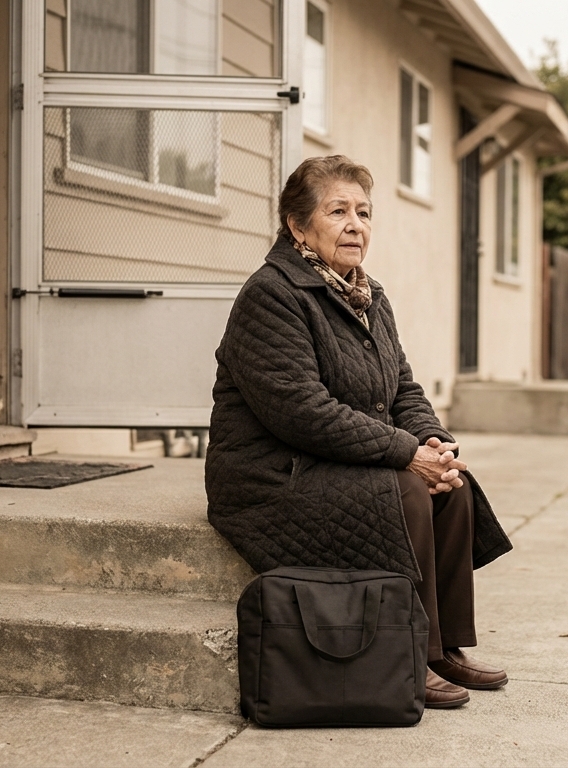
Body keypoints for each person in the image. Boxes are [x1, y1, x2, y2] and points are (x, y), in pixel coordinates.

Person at [206, 155, 513, 709]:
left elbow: (402, 389)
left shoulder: (369, 296)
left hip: (333, 456)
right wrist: (404, 454)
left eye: (364, 212)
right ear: (298, 226)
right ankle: (405, 654)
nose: (356, 224)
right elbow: (301, 410)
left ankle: (440, 646)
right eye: (338, 211)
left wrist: (433, 442)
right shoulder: (271, 295)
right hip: (273, 475)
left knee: (453, 485)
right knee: (405, 491)